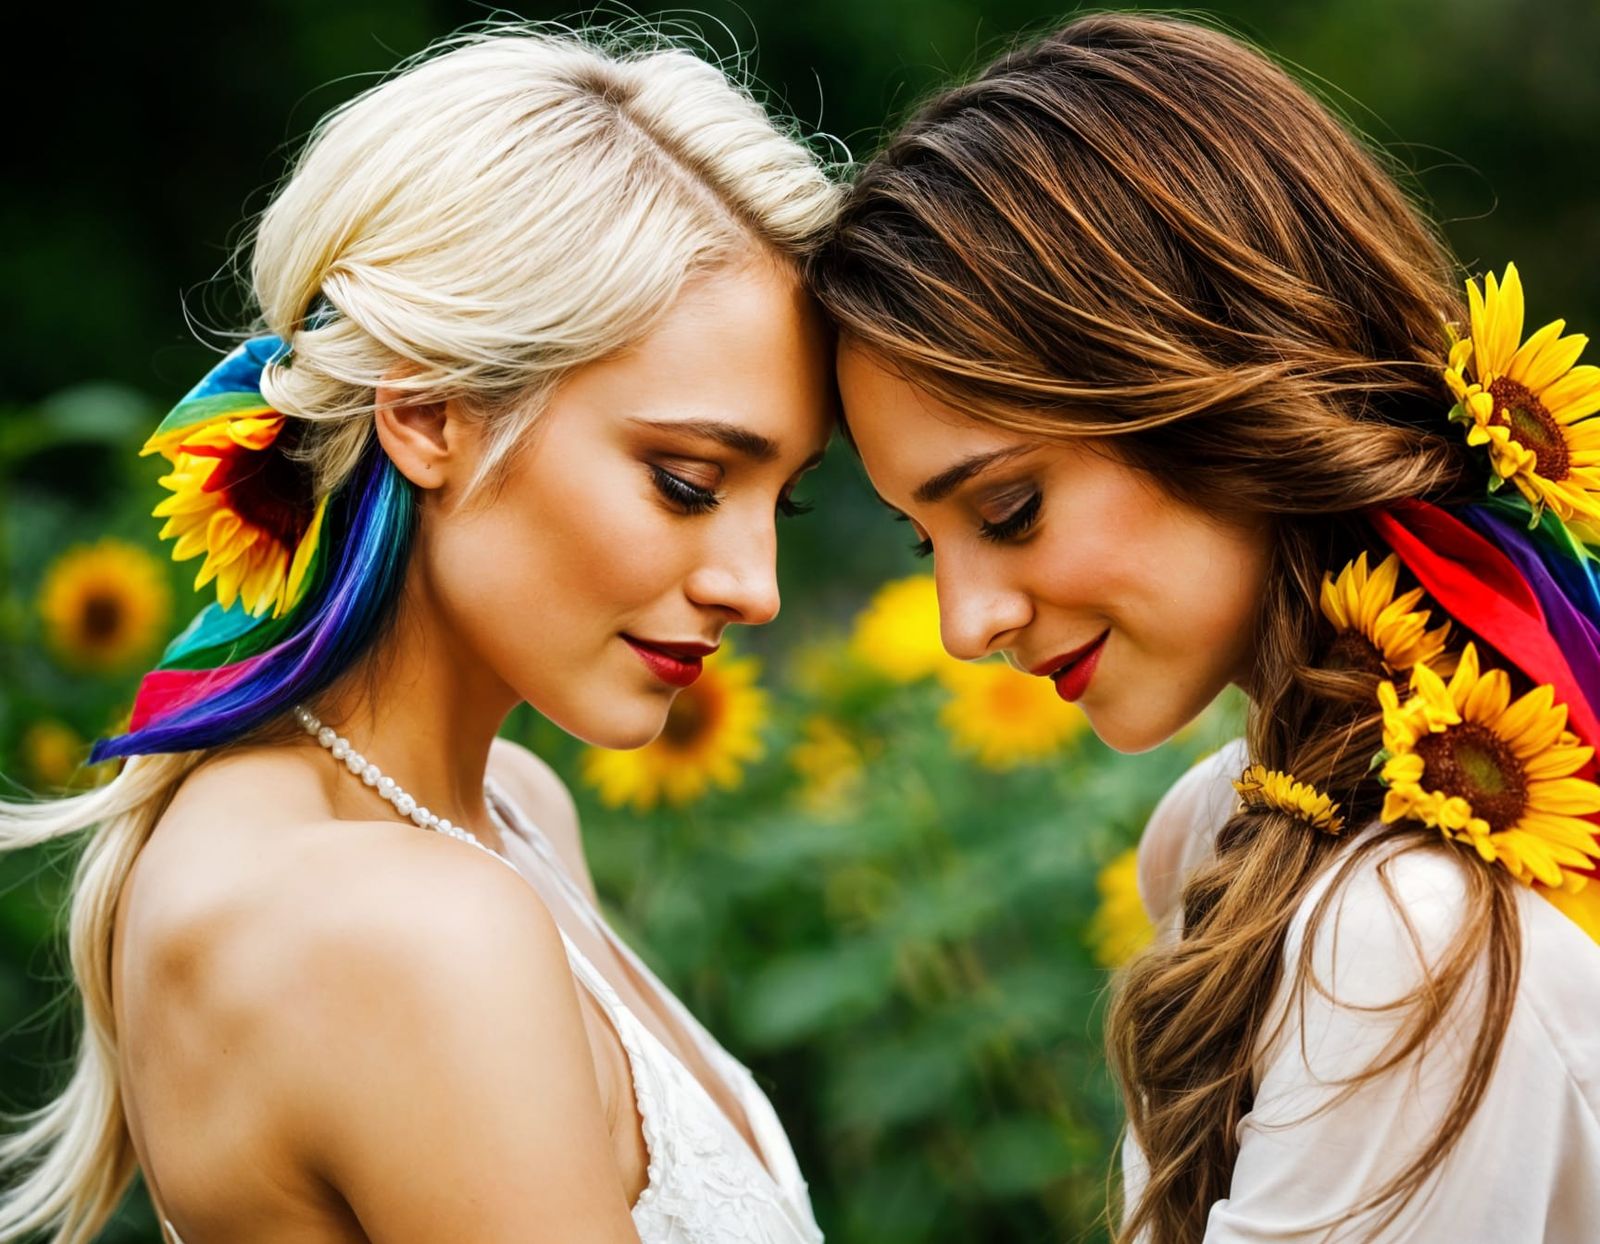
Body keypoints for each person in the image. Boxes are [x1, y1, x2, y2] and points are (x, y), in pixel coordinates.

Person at [0, 24, 838, 1244]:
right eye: (690, 481)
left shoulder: (507, 808)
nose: (755, 584)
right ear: (431, 413)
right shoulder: (403, 928)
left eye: (786, 496)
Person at [810, 13, 1600, 1244]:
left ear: (1222, 391)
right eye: (928, 539)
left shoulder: (1406, 934)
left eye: (1008, 509)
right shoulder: (1228, 824)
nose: (965, 623)